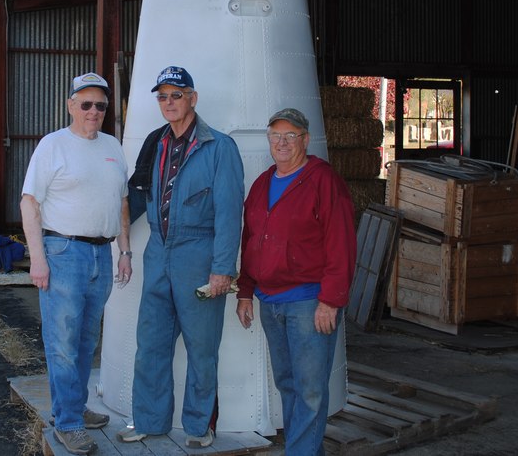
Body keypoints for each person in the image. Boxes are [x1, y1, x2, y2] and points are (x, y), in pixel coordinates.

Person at [117, 66, 244, 448]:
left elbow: (228, 212)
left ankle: (198, 425)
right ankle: (149, 419)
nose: (169, 103)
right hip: (158, 252)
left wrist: (223, 268)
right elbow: (135, 196)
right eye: (162, 96)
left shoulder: (218, 147)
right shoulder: (155, 143)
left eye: (176, 95)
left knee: (201, 347)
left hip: (199, 254)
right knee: (151, 342)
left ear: (193, 98)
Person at [20, 72, 132, 456]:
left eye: (101, 105)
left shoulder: (113, 146)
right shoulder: (54, 146)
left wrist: (125, 251)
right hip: (63, 253)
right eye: (85, 104)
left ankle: (75, 408)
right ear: (70, 105)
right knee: (63, 343)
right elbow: (29, 203)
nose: (94, 111)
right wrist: (38, 260)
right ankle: (67, 423)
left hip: (102, 253)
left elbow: (120, 202)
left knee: (86, 340)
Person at [235, 107, 357, 456]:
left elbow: (341, 242)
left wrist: (331, 300)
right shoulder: (262, 184)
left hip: (309, 303)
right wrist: (245, 292)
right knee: (288, 385)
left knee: (310, 390)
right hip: (270, 302)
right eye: (276, 135)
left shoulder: (323, 180)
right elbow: (251, 240)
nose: (282, 142)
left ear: (305, 139)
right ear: (269, 140)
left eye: (291, 135)